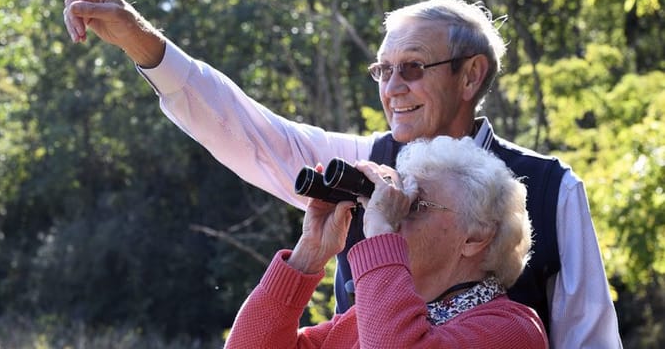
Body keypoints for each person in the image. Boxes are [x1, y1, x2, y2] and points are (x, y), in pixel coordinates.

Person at [49, 0, 622, 347]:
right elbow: (243, 130)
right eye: (383, 69)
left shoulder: (549, 188)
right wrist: (138, 39)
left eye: (413, 68)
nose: (392, 88)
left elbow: (590, 339)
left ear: (472, 76)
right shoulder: (366, 162)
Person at [225, 136, 548, 348]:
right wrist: (309, 254)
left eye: (415, 204)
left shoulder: (511, 331)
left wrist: (381, 232)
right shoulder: (362, 322)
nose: (396, 211)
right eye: (397, 197)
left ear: (475, 238)